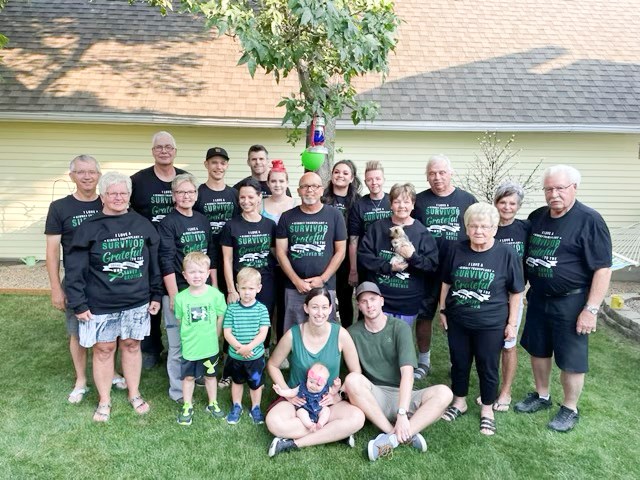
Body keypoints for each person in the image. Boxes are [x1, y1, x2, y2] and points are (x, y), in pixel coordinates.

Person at [515, 165, 612, 432]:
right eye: (548, 189)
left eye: (560, 188)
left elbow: (603, 268)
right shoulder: (537, 217)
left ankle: (570, 408)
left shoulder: (589, 220)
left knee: (571, 358)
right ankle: (542, 395)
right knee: (538, 349)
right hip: (538, 298)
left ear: (574, 188)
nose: (553, 194)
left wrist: (591, 309)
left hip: (572, 302)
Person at [65, 172, 163, 422]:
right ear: (103, 196)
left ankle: (134, 393)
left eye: (123, 193)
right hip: (101, 304)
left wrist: (155, 293)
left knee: (132, 346)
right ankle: (104, 400)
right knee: (104, 349)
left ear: (129, 196)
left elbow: (153, 264)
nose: (118, 197)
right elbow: (75, 269)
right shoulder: (88, 228)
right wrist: (78, 303)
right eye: (113, 193)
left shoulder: (143, 225)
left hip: (137, 301)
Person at [45, 155, 127, 403]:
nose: (87, 176)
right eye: (81, 172)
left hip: (108, 281)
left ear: (99, 175)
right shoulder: (60, 208)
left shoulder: (109, 202)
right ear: (72, 176)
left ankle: (111, 371)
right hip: (77, 282)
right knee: (78, 332)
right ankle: (81, 379)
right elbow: (51, 252)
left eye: (92, 171)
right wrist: (56, 288)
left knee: (111, 332)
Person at [438, 203, 524, 436]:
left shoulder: (506, 254)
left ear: (494, 229)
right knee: (460, 362)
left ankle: (487, 409)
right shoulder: (456, 249)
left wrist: (512, 324)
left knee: (488, 366)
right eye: (473, 226)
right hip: (458, 320)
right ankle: (459, 401)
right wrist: (443, 309)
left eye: (484, 227)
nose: (478, 231)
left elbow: (516, 291)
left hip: (491, 323)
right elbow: (446, 281)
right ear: (466, 228)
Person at [344, 282, 453, 462]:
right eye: (364, 301)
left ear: (381, 301)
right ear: (359, 306)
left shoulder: (399, 327)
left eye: (373, 299)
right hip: (375, 396)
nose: (369, 305)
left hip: (403, 395)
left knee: (444, 393)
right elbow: (348, 371)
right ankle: (394, 433)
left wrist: (402, 412)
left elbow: (408, 374)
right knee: (352, 380)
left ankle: (392, 439)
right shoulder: (352, 333)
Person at [266, 288, 365, 457]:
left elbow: (356, 372)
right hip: (298, 402)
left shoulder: (341, 334)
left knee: (357, 417)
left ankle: (293, 443)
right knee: (273, 422)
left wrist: (339, 395)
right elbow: (273, 365)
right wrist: (288, 394)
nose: (320, 313)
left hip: (327, 402)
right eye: (315, 307)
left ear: (331, 308)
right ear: (306, 308)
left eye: (325, 307)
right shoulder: (293, 334)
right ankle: (335, 433)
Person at [412, 154, 477, 380]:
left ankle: (456, 362)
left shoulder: (467, 200)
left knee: (457, 318)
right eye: (432, 173)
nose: (437, 177)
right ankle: (424, 360)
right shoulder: (418, 201)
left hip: (458, 270)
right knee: (424, 315)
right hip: (426, 269)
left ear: (451, 173)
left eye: (441, 172)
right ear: (427, 177)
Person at [130, 131, 188, 369]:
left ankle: (185, 344)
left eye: (169, 147)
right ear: (153, 151)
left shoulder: (185, 178)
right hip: (149, 250)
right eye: (159, 147)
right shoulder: (138, 181)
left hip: (180, 249)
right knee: (150, 297)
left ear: (175, 151)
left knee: (182, 296)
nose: (164, 151)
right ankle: (151, 348)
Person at [158, 173, 217, 403]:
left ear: (196, 194)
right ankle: (177, 390)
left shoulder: (202, 220)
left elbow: (211, 255)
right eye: (181, 192)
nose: (186, 196)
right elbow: (166, 259)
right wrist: (174, 296)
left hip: (203, 293)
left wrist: (214, 288)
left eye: (191, 192)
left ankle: (198, 377)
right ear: (174, 196)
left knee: (201, 339)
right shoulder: (168, 223)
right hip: (180, 292)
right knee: (178, 344)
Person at [358, 183, 439, 326]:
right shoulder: (377, 228)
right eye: (397, 202)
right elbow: (364, 257)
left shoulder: (422, 232)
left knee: (400, 342)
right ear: (391, 205)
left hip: (408, 301)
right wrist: (389, 267)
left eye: (407, 202)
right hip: (379, 299)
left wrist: (412, 257)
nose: (402, 206)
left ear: (413, 204)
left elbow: (432, 265)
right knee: (379, 341)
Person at [276, 172, 347, 332]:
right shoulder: (287, 217)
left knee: (325, 330)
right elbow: (281, 253)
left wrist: (323, 278)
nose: (310, 190)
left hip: (325, 286)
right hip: (294, 287)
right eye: (305, 186)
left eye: (314, 186)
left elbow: (341, 251)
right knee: (294, 332)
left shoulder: (335, 215)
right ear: (298, 191)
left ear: (322, 190)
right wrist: (296, 281)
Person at [482, 181, 530, 411]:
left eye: (512, 203)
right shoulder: (487, 226)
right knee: (490, 345)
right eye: (503, 202)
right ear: (496, 202)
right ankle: (488, 390)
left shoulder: (525, 229)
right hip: (487, 294)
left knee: (509, 344)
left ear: (518, 206)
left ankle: (506, 390)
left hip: (512, 295)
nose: (507, 207)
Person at [174, 252, 227, 425]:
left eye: (200, 272)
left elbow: (220, 316)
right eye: (192, 272)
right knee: (188, 377)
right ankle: (187, 405)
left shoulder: (215, 295)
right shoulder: (181, 298)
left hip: (209, 346)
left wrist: (216, 335)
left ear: (207, 273)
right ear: (185, 275)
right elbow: (180, 320)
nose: (197, 276)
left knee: (210, 376)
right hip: (190, 347)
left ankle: (213, 403)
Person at [220, 178, 277, 337]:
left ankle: (262, 350)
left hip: (265, 280)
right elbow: (227, 260)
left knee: (263, 317)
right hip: (241, 282)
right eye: (242, 197)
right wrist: (231, 289)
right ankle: (232, 352)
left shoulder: (270, 225)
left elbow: (276, 253)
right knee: (238, 319)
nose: (246, 201)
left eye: (251, 197)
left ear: (259, 198)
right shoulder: (231, 226)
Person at [223, 267, 271, 425]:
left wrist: (249, 347)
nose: (247, 292)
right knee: (237, 382)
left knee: (256, 384)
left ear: (259, 288)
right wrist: (240, 348)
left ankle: (255, 408)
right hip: (236, 356)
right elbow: (227, 332)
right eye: (243, 288)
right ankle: (236, 406)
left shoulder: (261, 309)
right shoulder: (231, 309)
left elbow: (263, 333)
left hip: (254, 356)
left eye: (251, 288)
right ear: (237, 288)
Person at [194, 146, 240, 295]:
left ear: (227, 166)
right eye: (214, 162)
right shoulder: (198, 194)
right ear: (206, 165)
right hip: (206, 258)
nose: (218, 167)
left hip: (231, 257)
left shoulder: (234, 194)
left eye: (222, 163)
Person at [322, 160, 362, 327]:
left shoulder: (358, 201)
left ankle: (347, 332)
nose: (340, 175)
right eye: (337, 172)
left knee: (345, 297)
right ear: (332, 175)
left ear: (352, 178)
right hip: (326, 254)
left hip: (348, 255)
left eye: (345, 173)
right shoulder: (322, 198)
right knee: (325, 295)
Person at [261, 160, 296, 344]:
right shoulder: (260, 205)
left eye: (281, 181)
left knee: (284, 305)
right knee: (268, 304)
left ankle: (282, 341)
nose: (277, 185)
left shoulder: (294, 205)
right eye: (273, 181)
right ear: (268, 183)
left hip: (289, 263)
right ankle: (265, 342)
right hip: (267, 262)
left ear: (287, 183)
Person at [348, 161, 392, 289]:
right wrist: (353, 270)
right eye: (369, 180)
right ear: (365, 181)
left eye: (378, 178)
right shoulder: (359, 205)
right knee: (367, 299)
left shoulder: (393, 201)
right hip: (366, 259)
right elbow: (353, 240)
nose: (374, 183)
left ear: (384, 179)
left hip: (389, 257)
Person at [273, 362, 340, 432]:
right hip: (305, 407)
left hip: (319, 408)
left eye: (318, 385)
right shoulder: (302, 386)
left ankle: (321, 423)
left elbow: (333, 392)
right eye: (311, 382)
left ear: (324, 384)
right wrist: (281, 392)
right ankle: (310, 425)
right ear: (308, 378)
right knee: (300, 412)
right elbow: (292, 392)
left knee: (326, 410)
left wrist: (336, 386)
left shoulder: (325, 388)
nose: (313, 386)